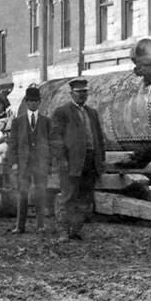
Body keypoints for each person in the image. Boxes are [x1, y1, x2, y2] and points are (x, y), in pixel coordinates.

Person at [50, 78, 105, 243]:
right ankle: (63, 232)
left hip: (89, 162)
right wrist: (62, 160)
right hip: (71, 163)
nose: (82, 95)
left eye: (85, 92)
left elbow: (99, 139)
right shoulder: (62, 112)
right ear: (71, 93)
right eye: (79, 92)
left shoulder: (92, 113)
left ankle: (75, 230)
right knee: (67, 197)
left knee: (84, 198)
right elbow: (55, 139)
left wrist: (100, 161)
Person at [6, 86, 51, 234]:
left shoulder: (46, 122)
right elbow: (12, 144)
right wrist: (13, 163)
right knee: (22, 195)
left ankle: (40, 225)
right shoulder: (18, 122)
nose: (33, 104)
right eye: (30, 101)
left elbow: (51, 143)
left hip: (40, 165)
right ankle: (20, 226)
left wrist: (48, 162)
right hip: (23, 164)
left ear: (40, 102)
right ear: (26, 102)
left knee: (40, 195)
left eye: (36, 101)